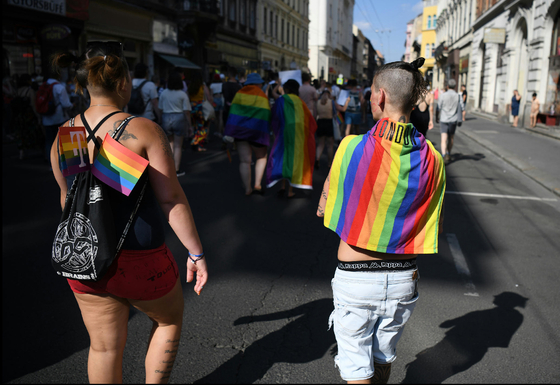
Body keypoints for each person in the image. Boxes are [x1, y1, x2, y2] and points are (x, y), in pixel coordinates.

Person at [48, 41, 208, 384]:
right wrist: (196, 252)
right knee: (167, 320)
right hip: (140, 256)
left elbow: (67, 200)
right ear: (124, 82)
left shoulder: (64, 134)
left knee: (103, 348)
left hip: (84, 257)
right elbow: (171, 200)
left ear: (82, 84)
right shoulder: (144, 130)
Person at [317, 57, 446, 385]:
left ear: (380, 97)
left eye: (371, 93)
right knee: (382, 357)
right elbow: (435, 224)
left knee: (356, 368)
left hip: (356, 279)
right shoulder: (434, 158)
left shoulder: (350, 147)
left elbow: (324, 206)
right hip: (404, 279)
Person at [266, 79, 317, 198]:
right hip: (298, 134)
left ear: (287, 88)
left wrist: (278, 85)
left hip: (284, 132)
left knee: (283, 156)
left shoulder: (282, 99)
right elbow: (309, 119)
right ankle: (290, 190)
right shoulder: (300, 102)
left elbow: (274, 114)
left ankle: (282, 187)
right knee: (295, 159)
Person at [224, 72, 271, 195]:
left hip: (240, 132)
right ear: (258, 84)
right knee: (261, 157)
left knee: (245, 161)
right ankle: (257, 185)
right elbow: (266, 113)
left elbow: (233, 113)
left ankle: (247, 189)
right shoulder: (261, 95)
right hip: (257, 132)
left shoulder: (240, 94)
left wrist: (230, 131)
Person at [159, 71, 192, 176]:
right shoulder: (182, 94)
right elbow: (186, 111)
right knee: (178, 146)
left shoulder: (164, 93)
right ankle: (176, 170)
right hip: (179, 118)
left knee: (170, 144)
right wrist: (190, 126)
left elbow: (160, 108)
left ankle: (169, 168)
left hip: (166, 117)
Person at [41, 68, 74, 162]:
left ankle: (51, 162)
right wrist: (72, 105)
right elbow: (66, 104)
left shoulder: (43, 85)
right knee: (64, 141)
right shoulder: (59, 87)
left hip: (46, 118)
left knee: (49, 141)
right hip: (60, 117)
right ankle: (67, 163)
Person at [11, 73, 43, 159]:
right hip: (28, 116)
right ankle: (41, 151)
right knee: (34, 133)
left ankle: (21, 152)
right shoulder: (30, 91)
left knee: (20, 134)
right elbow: (33, 105)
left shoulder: (17, 91)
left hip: (18, 116)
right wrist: (38, 116)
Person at [438, 78, 462, 165]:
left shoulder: (443, 95)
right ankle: (448, 153)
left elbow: (438, 107)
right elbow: (461, 107)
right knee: (451, 138)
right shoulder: (458, 96)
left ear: (447, 86)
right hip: (453, 120)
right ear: (455, 86)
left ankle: (444, 155)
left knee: (443, 138)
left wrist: (437, 117)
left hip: (444, 119)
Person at [188, 71, 213, 152]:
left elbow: (187, 97)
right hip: (200, 109)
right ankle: (199, 145)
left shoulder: (190, 86)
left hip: (192, 108)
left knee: (195, 126)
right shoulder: (203, 86)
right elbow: (208, 98)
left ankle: (195, 140)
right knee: (203, 127)